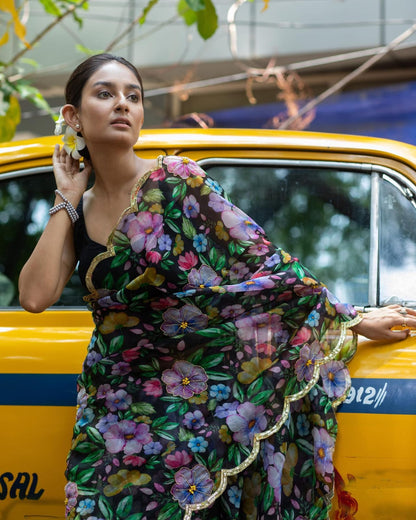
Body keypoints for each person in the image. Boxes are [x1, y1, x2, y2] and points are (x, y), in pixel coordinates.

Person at [18, 54, 416, 520]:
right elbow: (34, 296)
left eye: (134, 96)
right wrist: (65, 197)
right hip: (115, 408)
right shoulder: (78, 211)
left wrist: (352, 319)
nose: (122, 104)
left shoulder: (179, 183)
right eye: (105, 94)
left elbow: (265, 272)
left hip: (195, 407)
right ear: (73, 116)